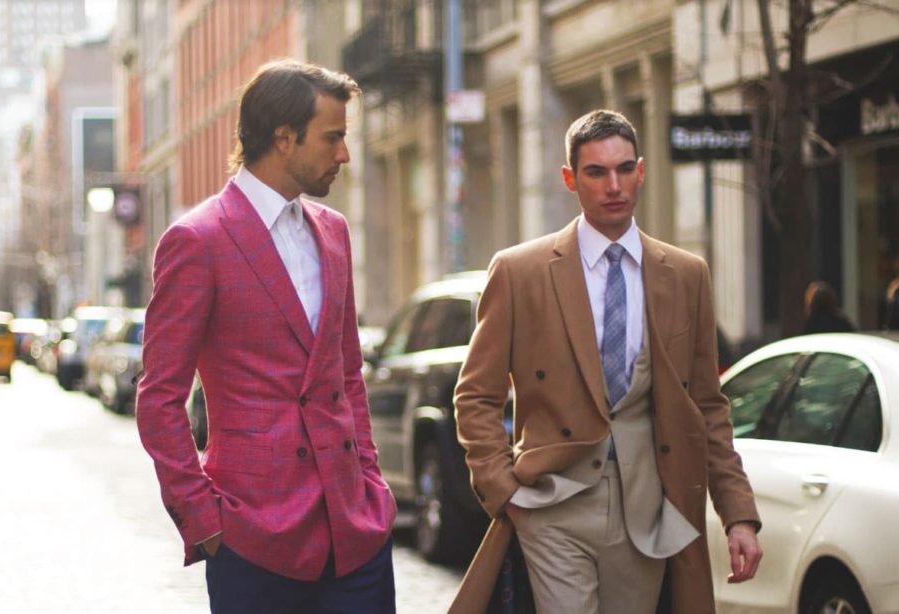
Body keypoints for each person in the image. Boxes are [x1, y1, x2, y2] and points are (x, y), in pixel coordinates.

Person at [450, 110, 762, 614]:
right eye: (596, 172)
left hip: (648, 506)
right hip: (551, 502)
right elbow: (475, 393)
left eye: (623, 169)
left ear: (640, 171)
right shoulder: (520, 271)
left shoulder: (685, 275)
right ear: (570, 179)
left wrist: (738, 514)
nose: (613, 185)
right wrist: (503, 489)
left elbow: (707, 405)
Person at [135, 59, 396, 614]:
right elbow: (158, 398)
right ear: (284, 138)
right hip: (251, 539)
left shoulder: (334, 232)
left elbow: (348, 375)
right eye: (333, 138)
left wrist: (371, 484)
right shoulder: (197, 240)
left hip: (355, 533)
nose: (344, 154)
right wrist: (202, 520)